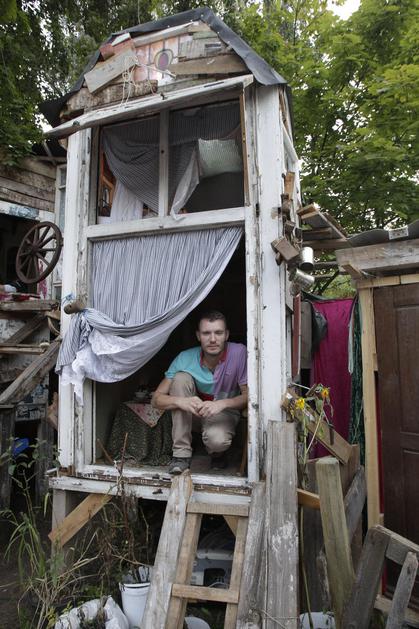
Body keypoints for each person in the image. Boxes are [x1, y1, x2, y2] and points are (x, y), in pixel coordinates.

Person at [152, 311, 248, 475]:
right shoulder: (184, 358)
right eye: (206, 333)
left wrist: (222, 404)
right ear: (198, 336)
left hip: (224, 412)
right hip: (193, 412)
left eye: (218, 333)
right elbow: (156, 399)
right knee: (180, 378)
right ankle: (181, 455)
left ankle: (217, 453)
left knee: (217, 441)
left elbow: (249, 396)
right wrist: (180, 401)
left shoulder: (239, 353)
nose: (212, 339)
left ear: (226, 335)